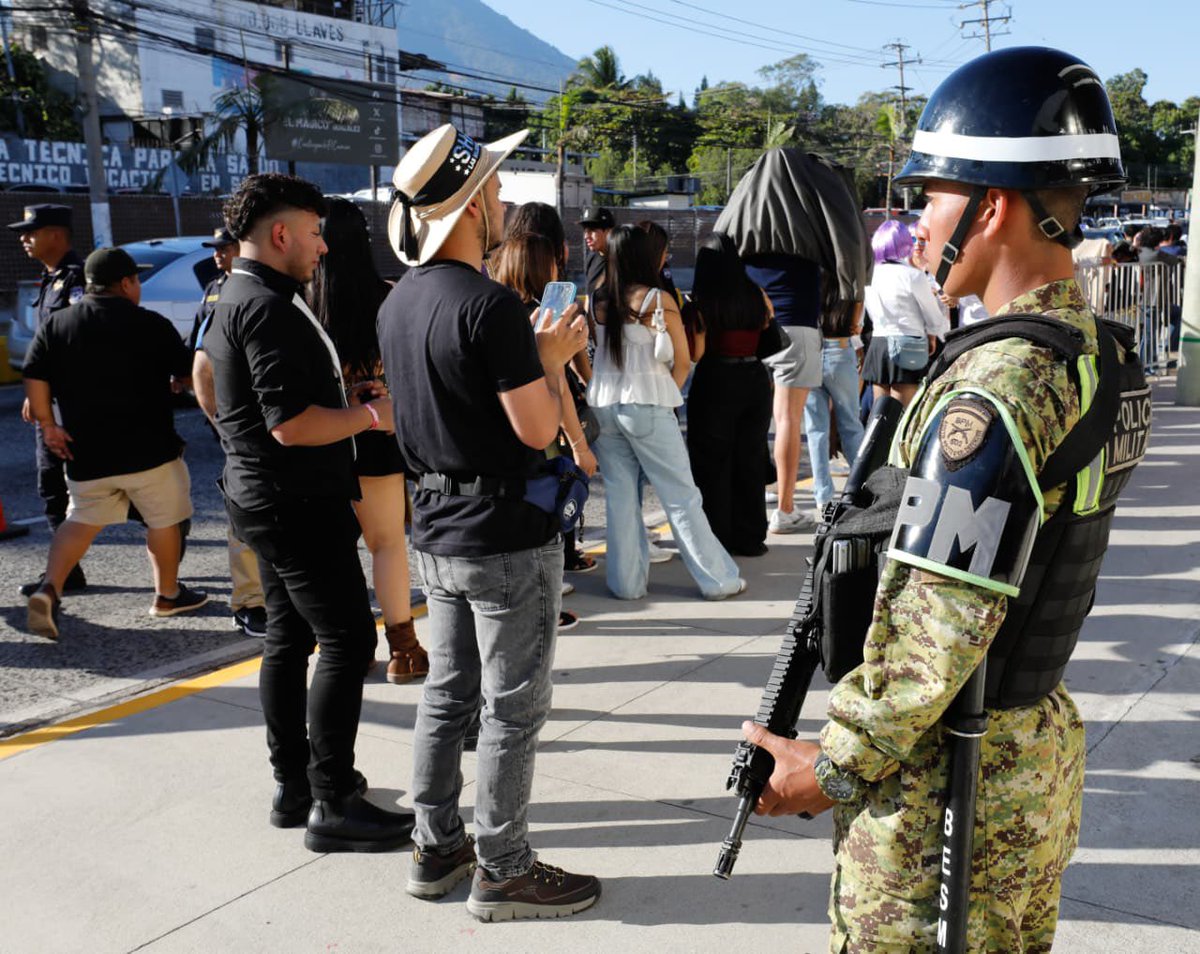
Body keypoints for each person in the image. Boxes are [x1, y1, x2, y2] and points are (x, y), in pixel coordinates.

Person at [742, 46, 1148, 952]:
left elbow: (940, 619)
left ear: (992, 205)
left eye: (930, 196)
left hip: (948, 789)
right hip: (1029, 752)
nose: (915, 222)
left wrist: (833, 763)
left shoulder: (997, 388)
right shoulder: (1100, 356)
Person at [378, 124, 601, 920]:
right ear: (471, 205)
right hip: (504, 533)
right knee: (512, 708)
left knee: (447, 693)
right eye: (496, 189)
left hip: (434, 523)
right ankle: (503, 865)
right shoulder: (491, 307)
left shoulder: (400, 299)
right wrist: (547, 360)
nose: (504, 200)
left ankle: (437, 845)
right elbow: (536, 431)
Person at [203, 174, 414, 852]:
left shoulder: (243, 294)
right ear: (281, 233)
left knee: (289, 641)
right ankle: (332, 800)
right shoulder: (264, 304)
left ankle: (295, 788)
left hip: (266, 497)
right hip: (294, 501)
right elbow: (290, 424)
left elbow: (243, 394)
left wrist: (348, 396)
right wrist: (374, 414)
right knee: (350, 640)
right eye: (315, 232)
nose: (322, 246)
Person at [23, 247, 205, 639]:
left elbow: (35, 375)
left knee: (80, 520)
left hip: (85, 452)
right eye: (136, 280)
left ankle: (49, 587)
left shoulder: (58, 324)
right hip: (149, 452)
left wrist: (49, 426)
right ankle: (167, 595)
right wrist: (183, 384)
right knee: (164, 520)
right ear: (125, 283)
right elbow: (188, 372)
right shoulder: (150, 324)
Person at [589, 224, 744, 600]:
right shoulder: (657, 299)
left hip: (604, 405)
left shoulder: (596, 298)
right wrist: (666, 393)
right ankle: (718, 580)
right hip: (648, 404)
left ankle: (626, 584)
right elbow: (684, 359)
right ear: (645, 257)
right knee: (681, 496)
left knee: (621, 497)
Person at [311, 196, 429, 683]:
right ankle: (403, 650)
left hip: (323, 438)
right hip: (378, 433)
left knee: (333, 552)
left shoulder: (302, 302)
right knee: (387, 546)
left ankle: (348, 649)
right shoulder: (388, 295)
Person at [501, 204, 599, 575]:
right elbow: (559, 382)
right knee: (553, 494)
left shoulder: (497, 308)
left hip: (509, 432)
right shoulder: (554, 316)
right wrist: (580, 445)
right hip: (547, 425)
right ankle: (554, 576)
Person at [189, 225, 267, 639]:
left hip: (274, 426)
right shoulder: (223, 292)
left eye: (224, 247)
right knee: (245, 518)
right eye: (215, 248)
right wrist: (222, 422)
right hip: (242, 426)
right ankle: (250, 603)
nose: (218, 254)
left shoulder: (263, 288)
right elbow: (200, 361)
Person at [12, 204, 88, 597]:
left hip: (75, 405)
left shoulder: (78, 280)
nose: (24, 238)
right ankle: (67, 572)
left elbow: (77, 346)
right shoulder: (50, 279)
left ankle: (168, 555)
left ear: (57, 235)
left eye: (32, 231)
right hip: (52, 403)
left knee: (116, 485)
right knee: (52, 485)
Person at [684, 232, 773, 556]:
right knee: (750, 459)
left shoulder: (702, 301)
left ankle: (716, 537)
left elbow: (695, 350)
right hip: (754, 379)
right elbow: (768, 325)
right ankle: (750, 536)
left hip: (715, 379)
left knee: (712, 463)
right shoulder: (753, 294)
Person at [743, 252, 823, 534]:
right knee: (788, 418)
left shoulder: (750, 226)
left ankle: (752, 499)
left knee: (753, 420)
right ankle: (785, 509)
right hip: (795, 321)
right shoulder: (802, 232)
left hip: (751, 323)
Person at [861, 219, 949, 406]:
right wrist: (934, 335)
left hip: (878, 343)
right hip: (908, 343)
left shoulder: (870, 274)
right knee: (902, 417)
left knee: (879, 417)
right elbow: (932, 314)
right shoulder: (913, 275)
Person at [802, 273, 866, 520]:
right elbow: (856, 322)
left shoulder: (810, 280)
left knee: (816, 429)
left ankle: (823, 496)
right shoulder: (849, 281)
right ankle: (862, 485)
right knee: (851, 423)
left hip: (811, 350)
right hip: (839, 348)